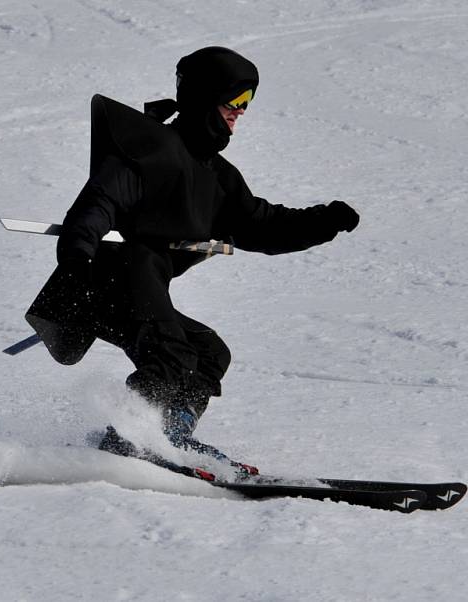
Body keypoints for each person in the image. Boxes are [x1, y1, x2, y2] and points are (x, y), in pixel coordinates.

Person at [25, 46, 359, 452]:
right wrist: (78, 252)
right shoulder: (150, 150)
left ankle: (169, 432)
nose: (242, 111)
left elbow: (262, 226)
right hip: (102, 278)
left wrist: (324, 222)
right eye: (236, 101)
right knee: (171, 354)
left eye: (247, 103)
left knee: (208, 353)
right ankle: (125, 437)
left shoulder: (217, 177)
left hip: (141, 284)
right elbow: (100, 202)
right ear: (205, 98)